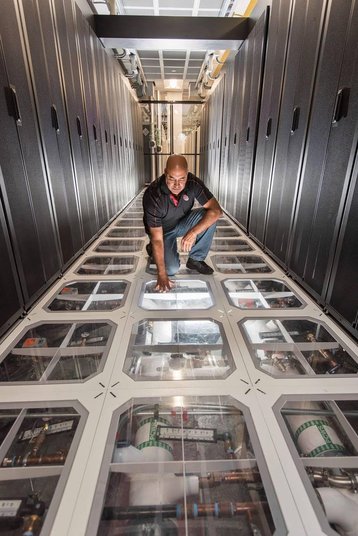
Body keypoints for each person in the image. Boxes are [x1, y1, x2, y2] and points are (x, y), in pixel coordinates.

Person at [143, 155, 222, 292]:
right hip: (162, 232)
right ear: (165, 173)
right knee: (171, 269)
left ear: (187, 174)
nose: (177, 185)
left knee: (210, 216)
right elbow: (157, 238)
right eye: (171, 179)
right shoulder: (153, 196)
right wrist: (161, 274)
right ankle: (152, 250)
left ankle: (196, 259)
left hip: (181, 223)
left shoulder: (193, 183)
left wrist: (193, 232)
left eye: (182, 179)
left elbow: (217, 211)